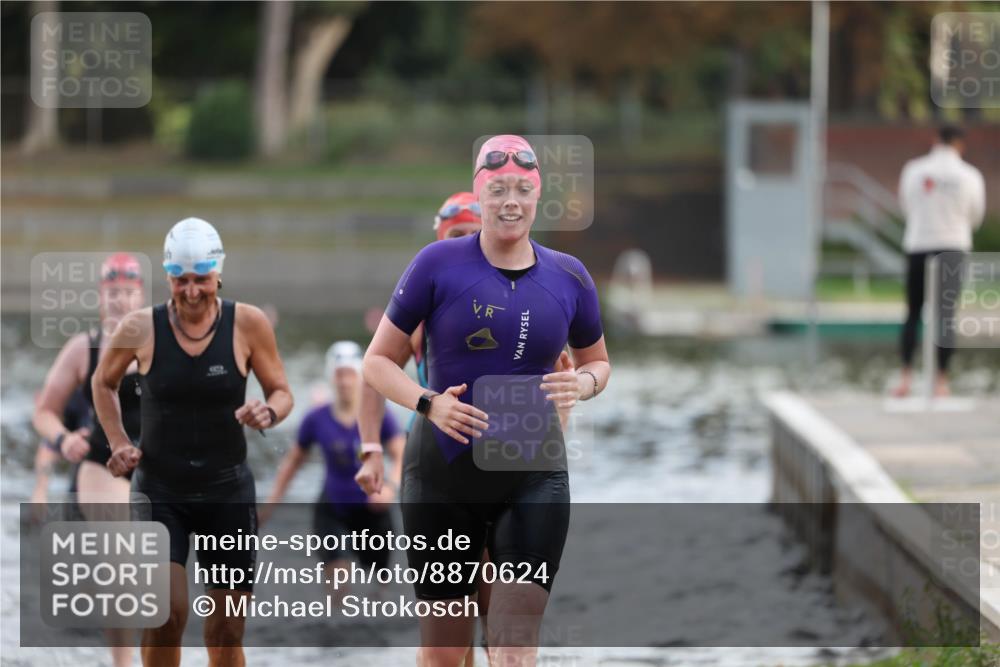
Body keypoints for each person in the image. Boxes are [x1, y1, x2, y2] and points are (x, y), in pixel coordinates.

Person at [363, 135, 611, 667]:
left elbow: (598, 362)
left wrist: (583, 385)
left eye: (523, 189)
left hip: (533, 473)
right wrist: (430, 403)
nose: (511, 201)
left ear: (537, 196)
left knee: (514, 647)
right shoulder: (437, 263)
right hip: (443, 478)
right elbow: (377, 363)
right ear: (482, 195)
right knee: (447, 657)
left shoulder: (569, 275)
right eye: (498, 189)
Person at [93, 217, 294, 667]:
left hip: (228, 492)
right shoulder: (140, 327)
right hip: (159, 492)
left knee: (226, 630)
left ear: (218, 273)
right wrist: (117, 441)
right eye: (179, 280)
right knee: (167, 614)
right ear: (167, 276)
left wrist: (269, 411)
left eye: (201, 279)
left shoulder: (249, 324)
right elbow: (102, 383)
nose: (191, 291)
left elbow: (282, 391)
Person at [32, 252, 146, 667]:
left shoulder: (159, 342)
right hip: (101, 465)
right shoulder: (83, 348)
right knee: (120, 562)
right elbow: (44, 411)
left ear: (141, 297)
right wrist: (63, 440)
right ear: (101, 296)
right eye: (112, 292)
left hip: (155, 463)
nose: (119, 301)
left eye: (127, 293)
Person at [263, 340, 405, 602]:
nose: (344, 382)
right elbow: (293, 463)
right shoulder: (316, 418)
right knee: (339, 586)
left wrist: (391, 488)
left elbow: (401, 454)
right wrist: (269, 506)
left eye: (350, 374)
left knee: (380, 592)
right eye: (339, 375)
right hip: (332, 510)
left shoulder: (380, 415)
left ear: (360, 377)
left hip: (373, 510)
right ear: (331, 378)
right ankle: (335, 633)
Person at [893, 125, 986, 397]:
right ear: (960, 144)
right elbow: (976, 216)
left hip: (918, 245)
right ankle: (941, 381)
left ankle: (906, 377)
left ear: (936, 140)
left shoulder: (913, 170)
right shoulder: (970, 175)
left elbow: (905, 205)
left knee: (912, 312)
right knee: (945, 316)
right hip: (952, 248)